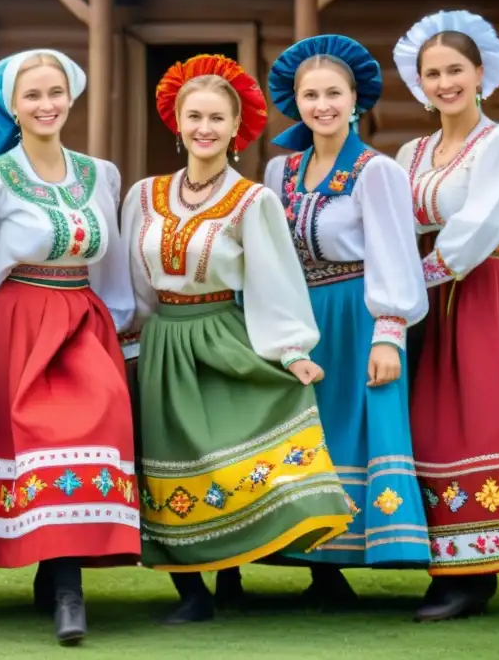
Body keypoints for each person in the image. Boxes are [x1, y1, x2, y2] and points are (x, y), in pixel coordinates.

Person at [120, 53, 352, 624]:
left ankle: (231, 574)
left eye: (216, 119)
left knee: (222, 457)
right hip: (162, 344)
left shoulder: (254, 200)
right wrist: (129, 346)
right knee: (169, 461)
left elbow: (274, 279)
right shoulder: (142, 196)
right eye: (194, 116)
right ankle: (192, 592)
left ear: (236, 127)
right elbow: (131, 284)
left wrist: (292, 351)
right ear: (176, 123)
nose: (204, 128)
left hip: (223, 333)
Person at [0, 49, 139, 645]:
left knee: (91, 433)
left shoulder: (100, 174)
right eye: (31, 96)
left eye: (55, 92)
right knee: (41, 442)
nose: (45, 104)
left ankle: (62, 572)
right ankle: (63, 588)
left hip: (84, 320)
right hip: (18, 323)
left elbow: (109, 272)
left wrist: (123, 339)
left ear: (71, 97)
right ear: (12, 105)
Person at [258, 35, 432, 605]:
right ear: (296, 101)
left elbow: (394, 253)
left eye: (334, 93)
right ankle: (321, 569)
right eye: (311, 94)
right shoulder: (279, 171)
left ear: (356, 98)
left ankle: (371, 548)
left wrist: (388, 335)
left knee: (355, 428)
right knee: (312, 431)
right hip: (301, 319)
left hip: (358, 314)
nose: (322, 105)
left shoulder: (375, 170)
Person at [392, 10, 499, 621]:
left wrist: (411, 284)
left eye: (456, 70)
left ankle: (478, 570)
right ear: (420, 84)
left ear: (481, 74)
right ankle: (451, 560)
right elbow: (396, 223)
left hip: (484, 288)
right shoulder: (411, 151)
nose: (445, 82)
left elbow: (478, 225)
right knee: (429, 424)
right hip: (428, 297)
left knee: (480, 422)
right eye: (433, 74)